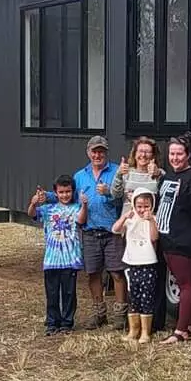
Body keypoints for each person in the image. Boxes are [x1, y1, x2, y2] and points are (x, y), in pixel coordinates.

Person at [155, 132, 191, 346]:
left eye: (179, 154)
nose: (175, 158)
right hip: (168, 238)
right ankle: (189, 325)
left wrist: (186, 195)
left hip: (186, 241)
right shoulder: (169, 177)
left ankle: (180, 332)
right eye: (172, 153)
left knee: (186, 284)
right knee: (181, 284)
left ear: (188, 155)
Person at [73, 135, 129, 330]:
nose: (98, 155)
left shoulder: (116, 172)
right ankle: (99, 313)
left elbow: (125, 198)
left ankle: (121, 315)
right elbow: (70, 200)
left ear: (106, 153)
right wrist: (47, 197)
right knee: (93, 273)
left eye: (101, 151)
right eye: (94, 151)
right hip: (89, 231)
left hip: (112, 230)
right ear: (88, 153)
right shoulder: (80, 176)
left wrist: (109, 193)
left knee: (117, 273)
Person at [27, 174, 87, 335]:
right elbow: (32, 214)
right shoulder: (48, 209)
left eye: (68, 191)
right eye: (61, 192)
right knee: (52, 293)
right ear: (56, 193)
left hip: (70, 259)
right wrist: (33, 203)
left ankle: (67, 323)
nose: (65, 195)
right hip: (51, 260)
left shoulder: (76, 208)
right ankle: (52, 322)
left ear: (72, 191)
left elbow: (81, 220)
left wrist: (85, 205)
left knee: (69, 293)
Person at [112, 184, 160, 344]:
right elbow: (115, 229)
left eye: (146, 206)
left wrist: (151, 221)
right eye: (139, 206)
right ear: (134, 204)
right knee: (133, 295)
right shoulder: (130, 219)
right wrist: (124, 217)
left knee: (147, 296)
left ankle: (146, 332)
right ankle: (134, 330)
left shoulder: (153, 219)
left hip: (148, 262)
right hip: (131, 262)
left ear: (151, 205)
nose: (142, 210)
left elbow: (154, 238)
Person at [111, 136, 165, 216]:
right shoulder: (126, 172)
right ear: (134, 154)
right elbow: (115, 195)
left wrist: (158, 175)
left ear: (153, 156)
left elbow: (164, 199)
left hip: (150, 223)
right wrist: (119, 174)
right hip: (129, 224)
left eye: (147, 152)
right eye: (140, 151)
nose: (143, 155)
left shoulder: (160, 173)